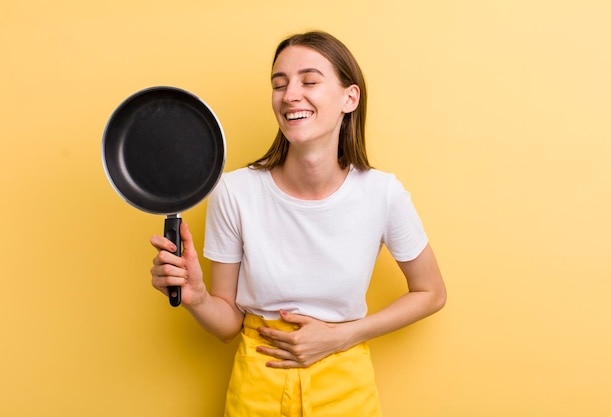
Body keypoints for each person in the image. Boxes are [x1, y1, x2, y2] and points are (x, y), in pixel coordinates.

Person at [150, 30, 446, 417]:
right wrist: (198, 298)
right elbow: (226, 327)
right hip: (257, 385)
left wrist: (342, 335)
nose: (290, 94)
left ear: (348, 98)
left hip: (346, 386)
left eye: (309, 81)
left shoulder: (382, 193)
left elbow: (431, 293)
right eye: (279, 84)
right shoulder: (234, 192)